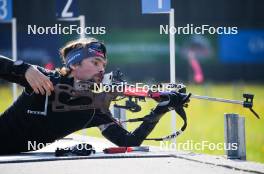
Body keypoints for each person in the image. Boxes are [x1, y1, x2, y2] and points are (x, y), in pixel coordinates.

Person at [0, 37, 187, 155]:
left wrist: (160, 111)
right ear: (74, 65)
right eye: (95, 62)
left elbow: (129, 142)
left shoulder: (94, 107)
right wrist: (24, 69)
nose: (101, 69)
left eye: (103, 65)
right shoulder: (44, 79)